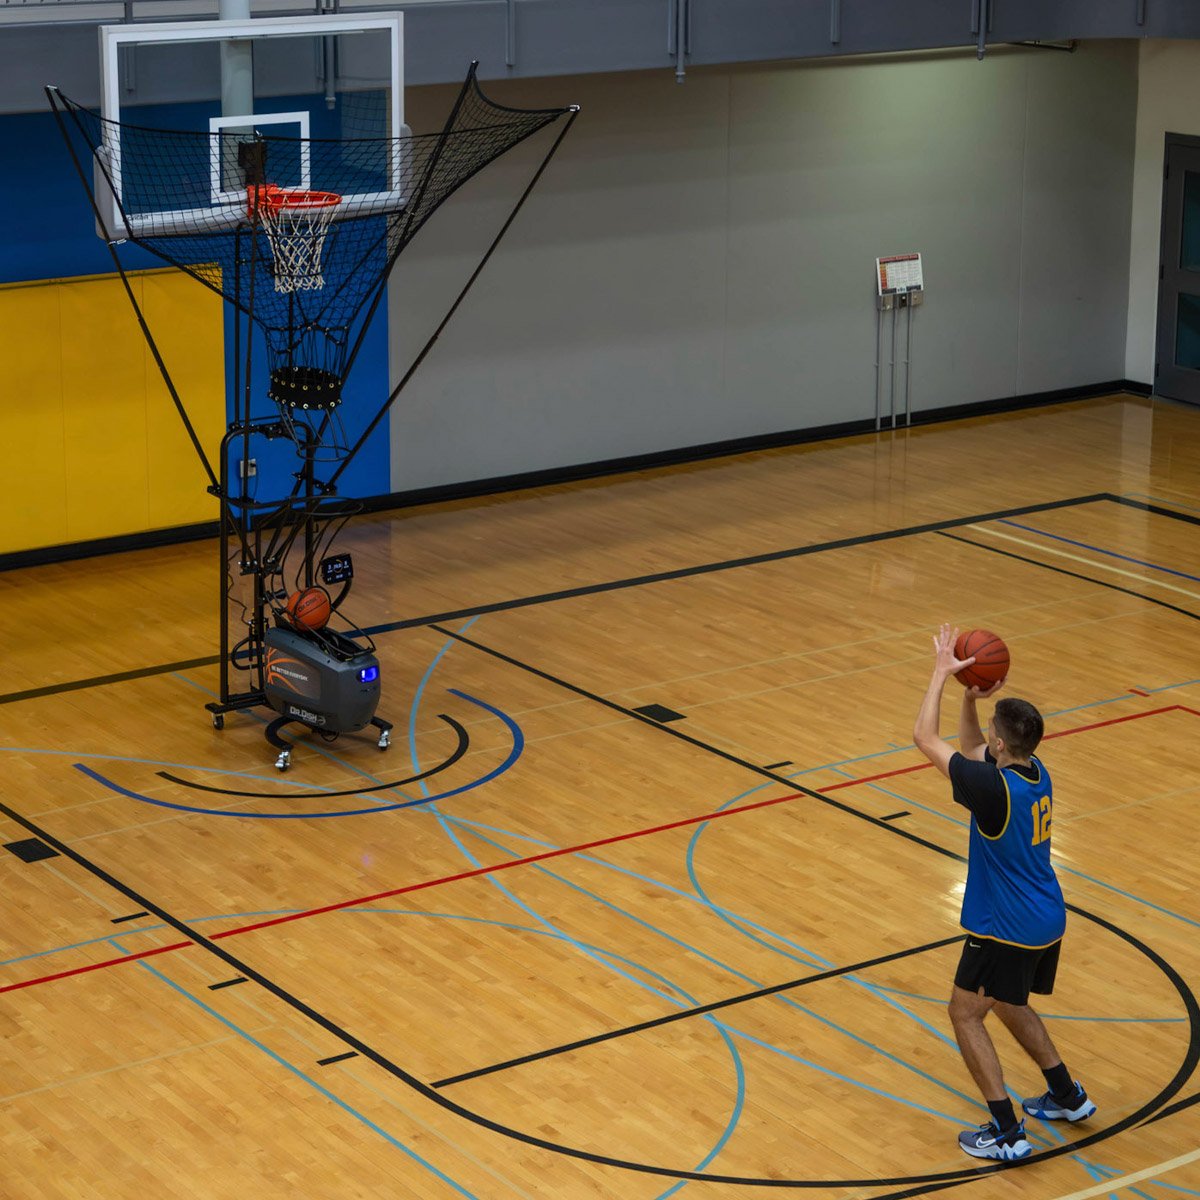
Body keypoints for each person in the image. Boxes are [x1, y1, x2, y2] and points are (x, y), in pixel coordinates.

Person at [912, 625, 1096, 1162]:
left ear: (1000, 744)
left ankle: (1008, 1132)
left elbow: (925, 739)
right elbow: (974, 748)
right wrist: (972, 700)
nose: (984, 734)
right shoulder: (1034, 772)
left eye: (990, 728)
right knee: (1010, 1003)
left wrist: (942, 674)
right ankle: (1067, 1096)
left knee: (965, 1013)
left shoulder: (991, 790)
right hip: (1046, 917)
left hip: (1006, 926)